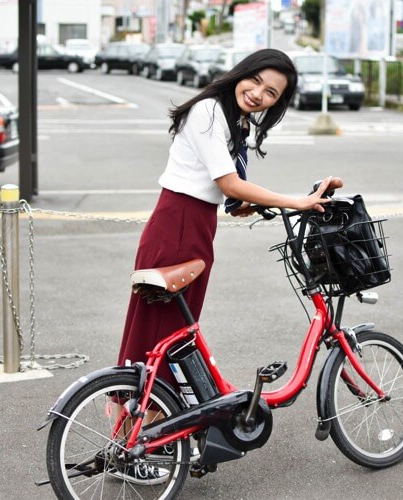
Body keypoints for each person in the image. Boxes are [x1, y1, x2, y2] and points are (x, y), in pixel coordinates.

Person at [117, 48, 343, 389]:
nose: (257, 94)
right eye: (255, 81)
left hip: (196, 224)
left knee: (176, 332)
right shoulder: (207, 111)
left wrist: (243, 205)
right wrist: (296, 202)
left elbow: (225, 190)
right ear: (242, 73)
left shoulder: (234, 120)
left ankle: (160, 424)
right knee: (162, 331)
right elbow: (229, 182)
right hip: (178, 223)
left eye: (271, 93)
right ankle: (141, 424)